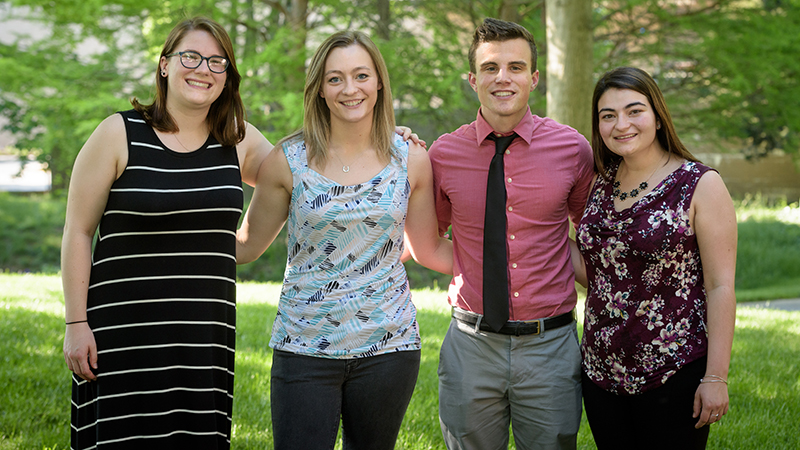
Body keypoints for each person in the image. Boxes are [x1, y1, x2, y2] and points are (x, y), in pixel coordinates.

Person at [60, 17, 274, 449]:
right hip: (121, 334)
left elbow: (306, 175)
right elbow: (78, 232)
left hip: (203, 336)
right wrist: (76, 322)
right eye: (191, 57)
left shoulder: (240, 140)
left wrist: (388, 143)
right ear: (164, 65)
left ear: (228, 77)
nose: (204, 69)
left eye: (218, 62)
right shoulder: (119, 133)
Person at [235, 30, 452, 450]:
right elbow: (245, 246)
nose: (349, 89)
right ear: (319, 89)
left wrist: (522, 255)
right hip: (304, 345)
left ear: (379, 83)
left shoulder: (411, 157)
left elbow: (428, 248)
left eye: (361, 76)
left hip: (388, 346)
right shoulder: (288, 159)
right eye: (335, 79)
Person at [428, 18, 594, 450]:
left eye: (516, 67)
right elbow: (428, 236)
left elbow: (593, 239)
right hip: (471, 345)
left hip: (550, 346)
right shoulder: (443, 154)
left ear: (534, 78)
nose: (503, 77)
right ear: (472, 79)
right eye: (490, 68)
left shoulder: (573, 149)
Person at [573, 66, 736, 449]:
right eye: (607, 116)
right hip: (600, 371)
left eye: (634, 111)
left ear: (658, 117)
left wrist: (716, 377)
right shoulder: (600, 182)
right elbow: (600, 277)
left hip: (673, 370)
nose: (621, 124)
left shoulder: (700, 184)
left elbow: (720, 286)